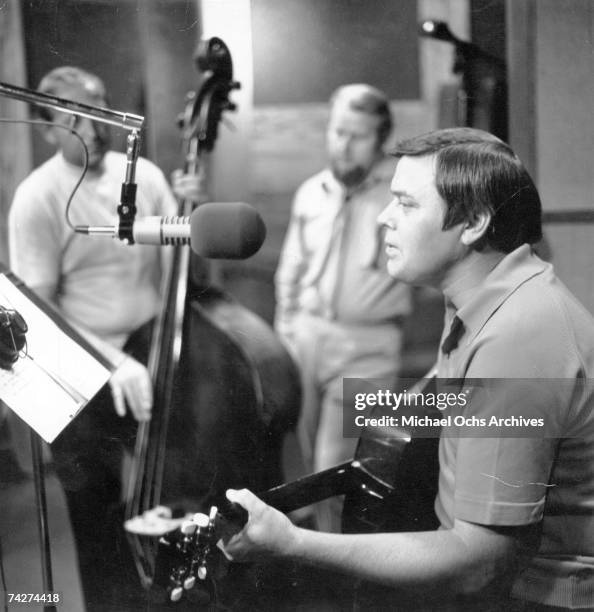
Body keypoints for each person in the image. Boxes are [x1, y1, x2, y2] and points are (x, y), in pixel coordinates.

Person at [218, 128, 594, 611]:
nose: (382, 217)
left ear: (474, 222)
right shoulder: (480, 298)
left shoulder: (516, 336)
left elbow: (478, 557)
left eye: (406, 204)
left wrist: (293, 543)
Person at [8, 66, 181, 611]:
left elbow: (179, 261)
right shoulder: (36, 197)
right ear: (47, 128)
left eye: (101, 106)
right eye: (76, 115)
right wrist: (111, 362)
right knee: (97, 518)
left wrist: (190, 210)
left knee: (173, 502)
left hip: (152, 356)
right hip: (83, 370)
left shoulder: (147, 176)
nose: (95, 123)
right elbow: (36, 308)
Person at [274, 83, 412, 532]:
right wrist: (287, 331)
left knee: (335, 463)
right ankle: (316, 569)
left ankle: (339, 574)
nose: (344, 144)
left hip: (368, 345)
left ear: (380, 139)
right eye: (338, 131)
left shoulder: (401, 196)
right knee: (305, 467)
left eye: (358, 135)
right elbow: (290, 269)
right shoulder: (310, 193)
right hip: (306, 338)